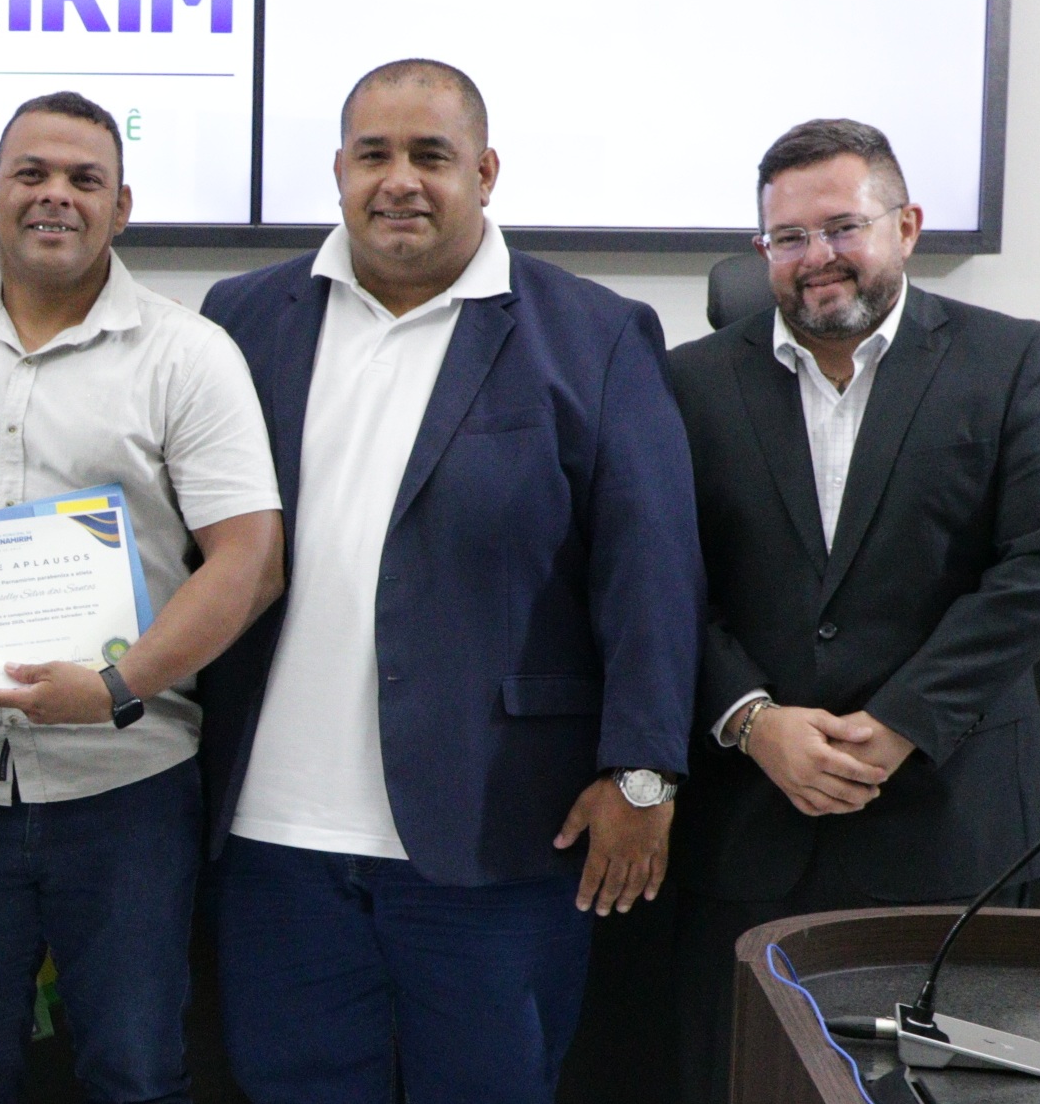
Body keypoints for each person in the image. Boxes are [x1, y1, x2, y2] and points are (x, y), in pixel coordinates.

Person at [193, 59, 701, 1104]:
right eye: (373, 154)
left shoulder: (592, 333)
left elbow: (651, 570)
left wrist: (645, 772)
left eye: (432, 155)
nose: (401, 180)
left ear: (486, 170)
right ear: (338, 169)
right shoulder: (241, 318)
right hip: (273, 842)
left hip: (497, 838)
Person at [660, 118, 1040, 1103]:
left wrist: (902, 722)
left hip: (954, 828)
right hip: (749, 825)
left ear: (908, 225)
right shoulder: (688, 383)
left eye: (841, 226)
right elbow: (656, 580)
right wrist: (751, 719)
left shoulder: (1011, 359)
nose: (816, 259)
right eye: (788, 237)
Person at [0, 91, 285, 1104]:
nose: (56, 196)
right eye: (33, 174)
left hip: (126, 783)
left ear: (121, 204)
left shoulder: (186, 353)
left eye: (83, 179)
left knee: (135, 1070)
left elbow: (250, 560)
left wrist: (112, 685)